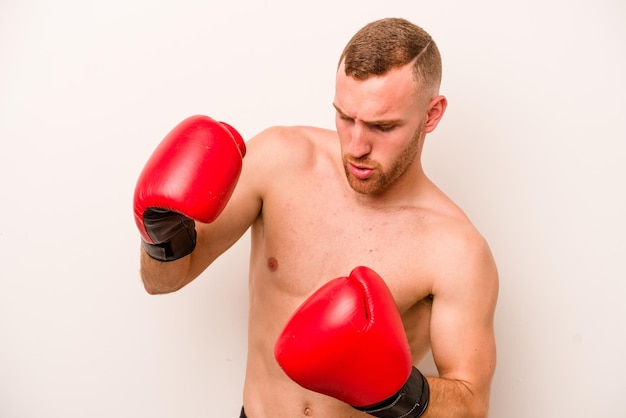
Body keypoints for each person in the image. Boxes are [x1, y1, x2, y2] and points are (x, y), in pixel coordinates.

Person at [134, 17, 498, 418]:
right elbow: (161, 282)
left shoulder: (455, 249)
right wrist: (162, 233)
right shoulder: (279, 160)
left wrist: (397, 389)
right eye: (345, 117)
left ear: (431, 115)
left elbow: (472, 405)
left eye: (382, 126)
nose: (356, 146)